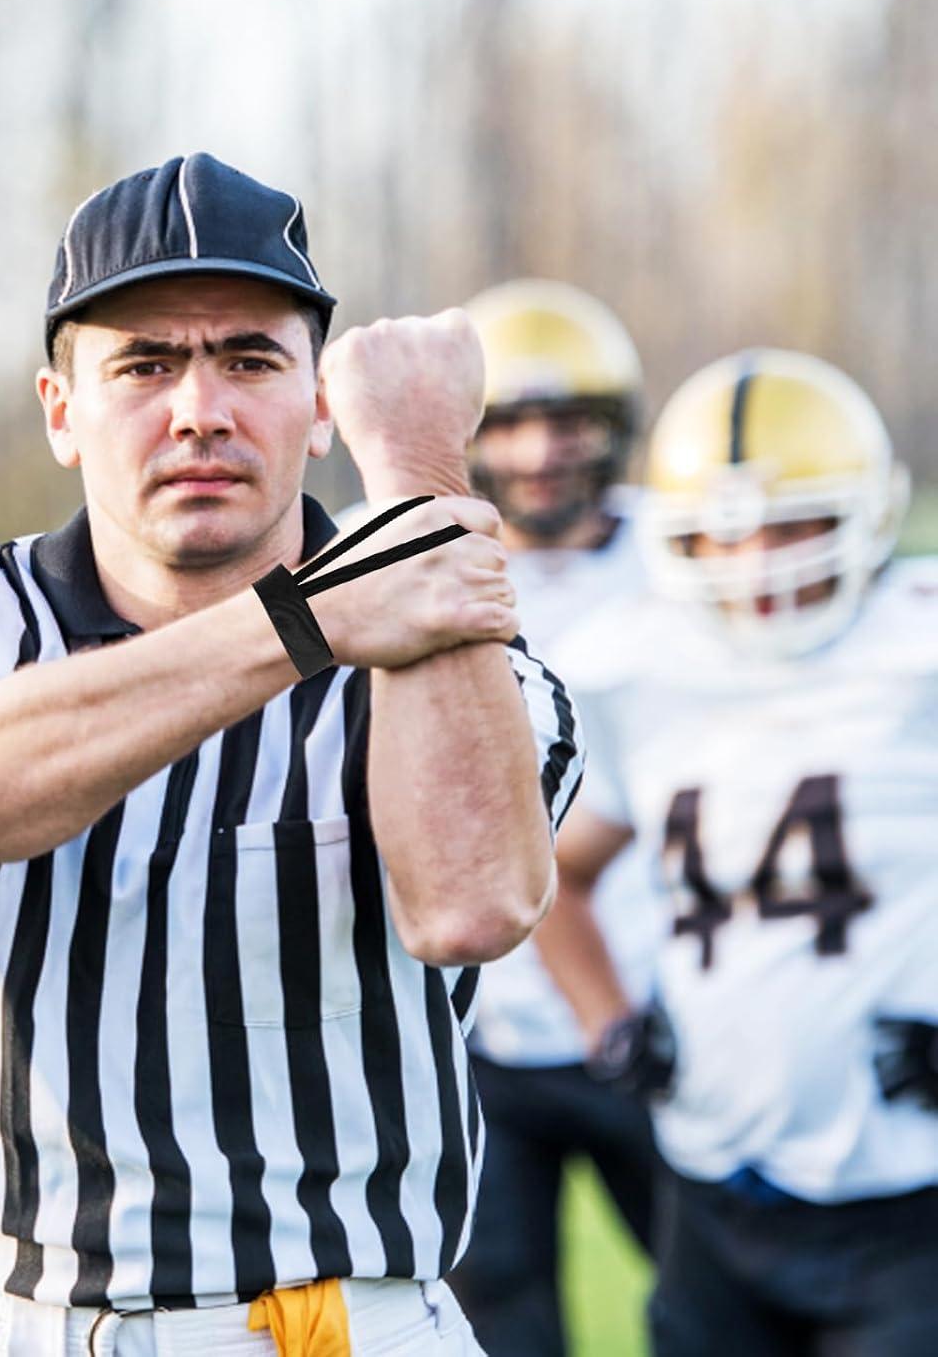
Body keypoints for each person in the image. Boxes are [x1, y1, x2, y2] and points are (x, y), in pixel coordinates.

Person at [0, 153, 582, 1356]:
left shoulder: (451, 650)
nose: (199, 411)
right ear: (61, 411)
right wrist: (306, 620)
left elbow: (475, 906)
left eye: (250, 360)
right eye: (144, 364)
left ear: (323, 404)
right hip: (13, 1324)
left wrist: (421, 482)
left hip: (336, 1326)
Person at [533, 348, 937, 1355]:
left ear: (867, 512)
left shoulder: (918, 649)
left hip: (908, 1195)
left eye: (793, 521)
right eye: (723, 532)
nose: (759, 559)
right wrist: (610, 1025)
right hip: (714, 1184)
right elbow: (551, 876)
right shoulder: (646, 674)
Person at [444, 280, 661, 1355]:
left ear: (616, 426)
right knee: (505, 1327)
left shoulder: (691, 555)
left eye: (568, 418)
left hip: (658, 1017)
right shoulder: (401, 559)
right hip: (468, 1033)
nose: (540, 452)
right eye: (511, 423)